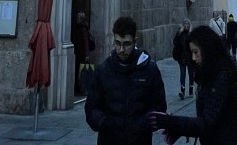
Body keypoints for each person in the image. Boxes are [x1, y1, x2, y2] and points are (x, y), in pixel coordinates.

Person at [150, 24, 237, 145]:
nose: (194, 58)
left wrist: (170, 122)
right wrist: (179, 130)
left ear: (207, 50)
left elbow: (207, 123)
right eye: (192, 53)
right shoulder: (209, 74)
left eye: (196, 52)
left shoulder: (222, 76)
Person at [85, 15, 166, 145]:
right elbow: (91, 108)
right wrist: (105, 123)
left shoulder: (149, 70)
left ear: (135, 41)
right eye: (118, 43)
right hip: (109, 140)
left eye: (126, 44)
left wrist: (142, 125)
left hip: (139, 140)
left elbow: (159, 107)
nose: (121, 50)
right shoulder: (103, 70)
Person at [73, 11, 95, 95]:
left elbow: (85, 42)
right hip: (79, 53)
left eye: (78, 18)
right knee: (80, 70)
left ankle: (83, 88)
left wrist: (86, 54)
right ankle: (80, 88)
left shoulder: (83, 28)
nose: (77, 19)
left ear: (81, 19)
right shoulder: (80, 27)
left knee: (82, 71)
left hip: (82, 54)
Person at [172, 18, 194, 98]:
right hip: (181, 57)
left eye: (187, 24)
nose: (186, 25)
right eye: (185, 24)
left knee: (191, 74)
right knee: (182, 74)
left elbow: (194, 44)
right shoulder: (180, 32)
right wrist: (179, 33)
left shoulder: (191, 33)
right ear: (182, 25)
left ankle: (191, 91)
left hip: (190, 58)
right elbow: (175, 42)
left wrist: (190, 33)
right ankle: (182, 91)